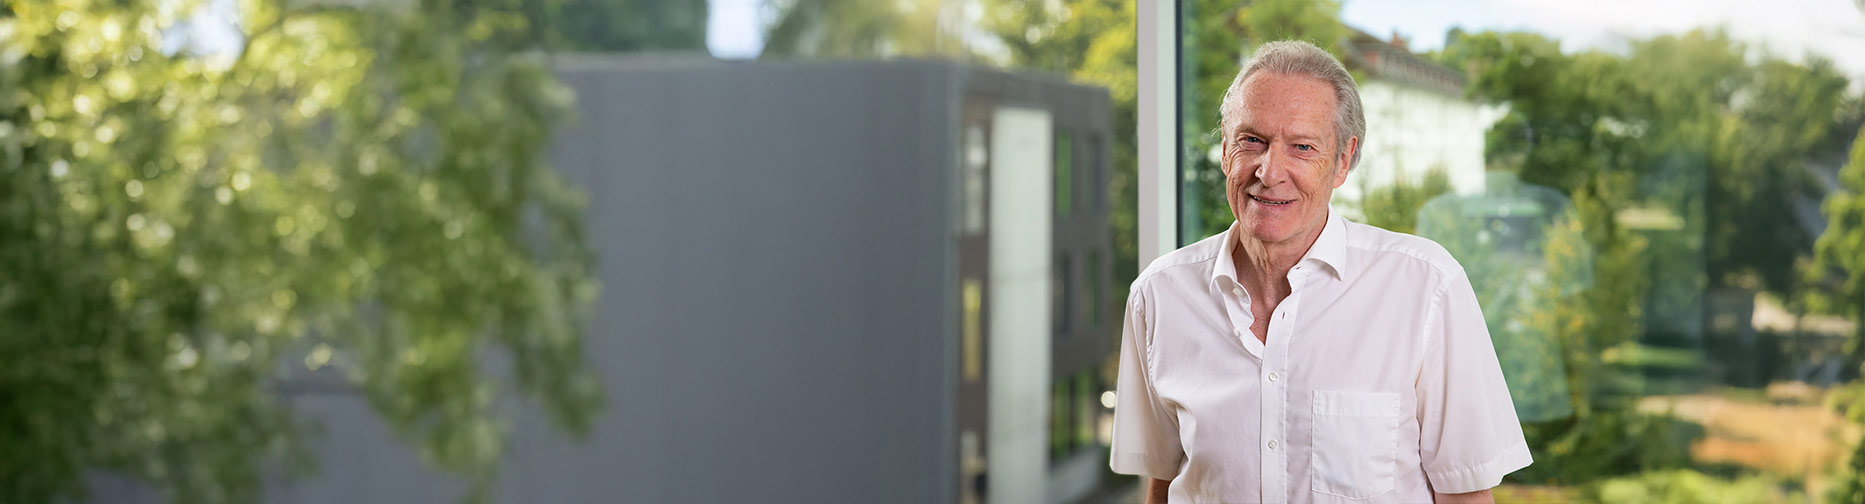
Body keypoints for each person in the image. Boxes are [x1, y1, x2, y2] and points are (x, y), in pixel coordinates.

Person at [1108, 40, 1531, 504]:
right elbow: (1162, 486)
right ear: (1226, 149)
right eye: (1252, 140)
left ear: (1343, 161)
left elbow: (1466, 495)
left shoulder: (1426, 287)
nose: (1270, 172)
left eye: (1302, 147)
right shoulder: (1159, 295)